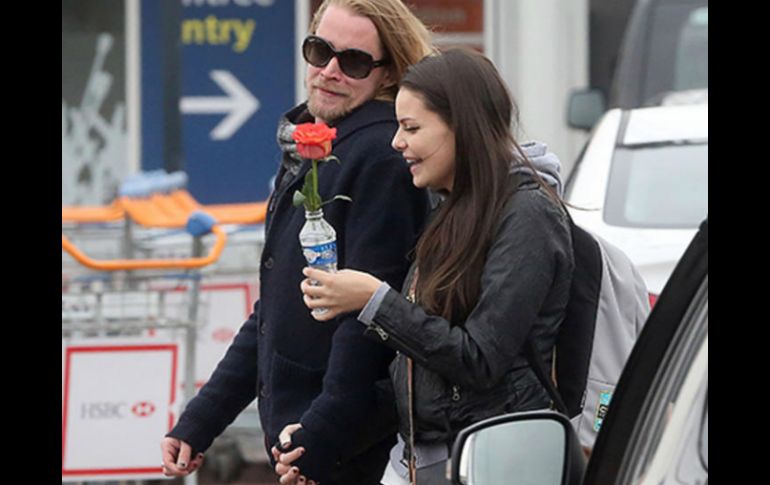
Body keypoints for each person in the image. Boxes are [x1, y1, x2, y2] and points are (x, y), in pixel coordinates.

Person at [160, 1, 434, 484]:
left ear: (388, 73)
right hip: (308, 440)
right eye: (319, 51)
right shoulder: (319, 147)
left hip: (346, 449)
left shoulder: (379, 156)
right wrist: (202, 418)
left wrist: (322, 435)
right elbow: (277, 308)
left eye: (353, 62)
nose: (329, 71)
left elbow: (370, 321)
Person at [295, 48, 575, 484]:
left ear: (463, 127)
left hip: (496, 462)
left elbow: (480, 358)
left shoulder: (528, 214)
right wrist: (320, 440)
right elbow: (419, 374)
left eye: (411, 128)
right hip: (425, 460)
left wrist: (375, 301)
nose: (396, 142)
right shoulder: (449, 208)